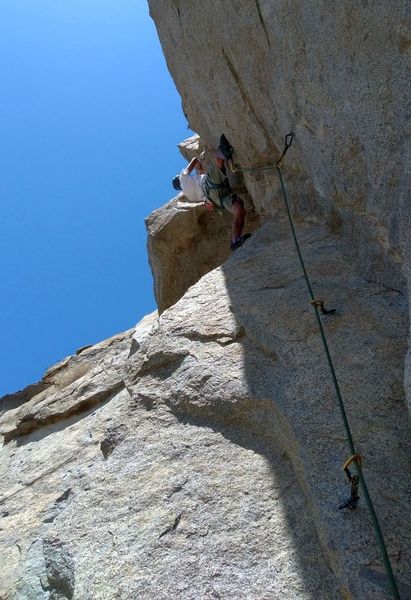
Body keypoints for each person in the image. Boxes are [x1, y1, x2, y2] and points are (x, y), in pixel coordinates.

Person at [172, 153, 250, 251]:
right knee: (218, 158)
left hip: (214, 200)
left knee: (239, 211)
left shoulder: (189, 196)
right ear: (178, 179)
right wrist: (199, 167)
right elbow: (195, 160)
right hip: (210, 186)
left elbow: (201, 196)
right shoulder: (182, 178)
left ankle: (234, 241)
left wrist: (199, 172)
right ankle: (225, 148)